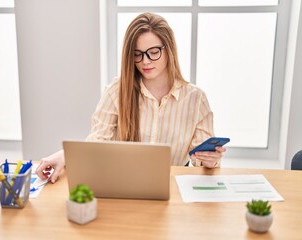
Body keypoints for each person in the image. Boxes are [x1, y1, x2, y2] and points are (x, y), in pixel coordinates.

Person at [36, 12, 226, 183]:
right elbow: (97, 142)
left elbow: (200, 161)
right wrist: (66, 155)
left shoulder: (195, 99)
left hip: (172, 189)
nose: (145, 61)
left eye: (153, 52)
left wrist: (210, 161)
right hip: (124, 185)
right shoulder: (116, 91)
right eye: (137, 54)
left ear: (169, 50)